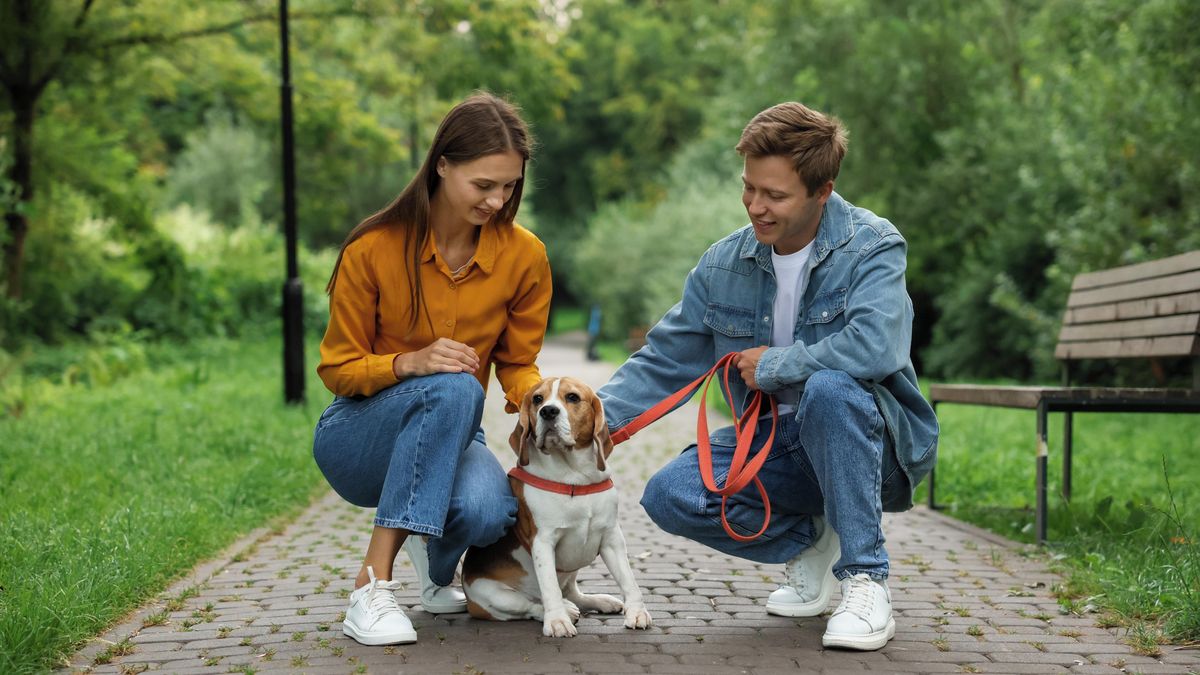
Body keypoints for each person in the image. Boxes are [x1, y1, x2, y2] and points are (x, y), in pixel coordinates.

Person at [597, 102, 938, 651]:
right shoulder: (723, 264)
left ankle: (865, 578)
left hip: (876, 451)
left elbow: (876, 347)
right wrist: (588, 422)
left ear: (822, 191)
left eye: (774, 195)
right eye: (748, 187)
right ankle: (814, 538)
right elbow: (665, 358)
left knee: (830, 389)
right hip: (775, 447)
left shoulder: (873, 246)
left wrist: (775, 365)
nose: (756, 206)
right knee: (671, 494)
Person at [312, 92, 552, 646]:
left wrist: (545, 401)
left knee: (489, 512)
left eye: (509, 186)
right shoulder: (373, 248)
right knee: (454, 386)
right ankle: (370, 586)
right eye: (483, 184)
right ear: (442, 165)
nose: (497, 200)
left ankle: (433, 566)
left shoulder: (525, 257)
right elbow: (338, 368)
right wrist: (409, 363)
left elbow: (518, 362)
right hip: (357, 436)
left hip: (452, 433)